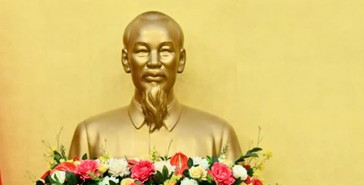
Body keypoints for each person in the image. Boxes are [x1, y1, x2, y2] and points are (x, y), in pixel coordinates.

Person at [69, 11, 242, 161]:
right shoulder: (91, 135)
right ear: (126, 60)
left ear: (181, 60)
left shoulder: (217, 136)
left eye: (165, 51)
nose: (154, 62)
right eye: (142, 51)